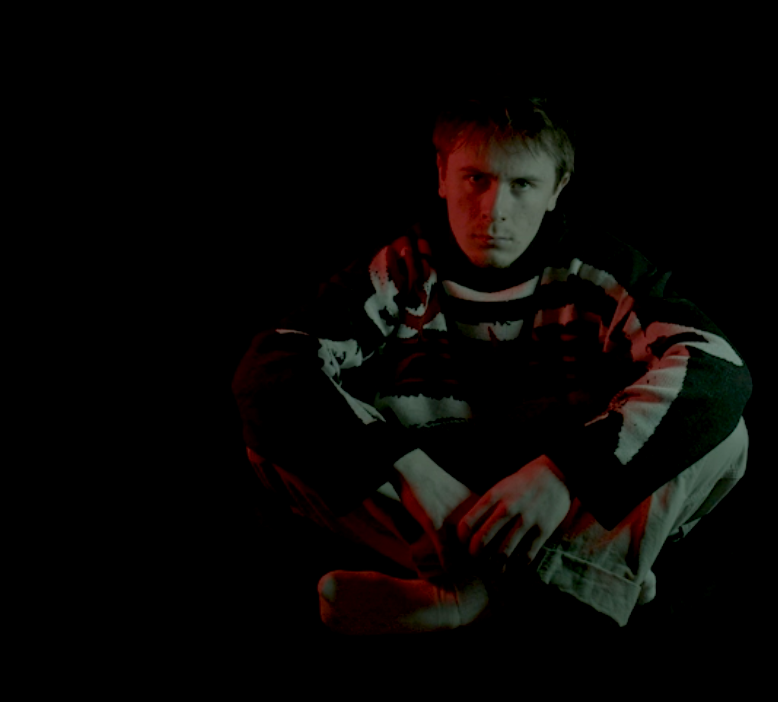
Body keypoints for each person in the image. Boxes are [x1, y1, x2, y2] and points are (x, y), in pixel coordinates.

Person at [232, 98, 751, 635]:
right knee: (268, 437)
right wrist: (408, 470)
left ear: (557, 189)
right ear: (442, 175)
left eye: (522, 184)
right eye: (475, 178)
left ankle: (469, 596)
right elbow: (273, 367)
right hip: (440, 508)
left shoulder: (603, 269)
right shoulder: (400, 269)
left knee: (725, 435)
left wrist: (564, 474)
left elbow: (716, 370)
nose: (493, 209)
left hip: (559, 504)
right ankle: (589, 575)